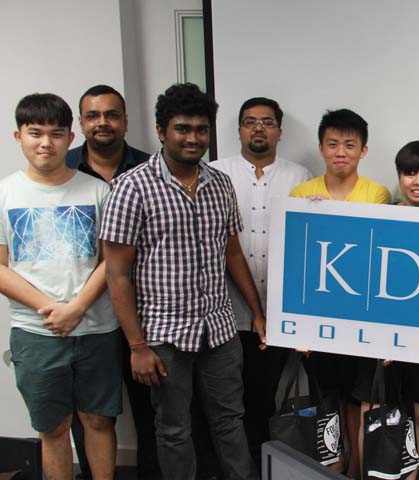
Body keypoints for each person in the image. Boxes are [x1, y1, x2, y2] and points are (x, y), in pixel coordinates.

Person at [101, 83, 264, 480]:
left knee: (230, 420)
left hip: (220, 330)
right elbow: (117, 275)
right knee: (173, 430)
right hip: (163, 336)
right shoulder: (131, 187)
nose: (193, 138)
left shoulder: (220, 183)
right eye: (183, 129)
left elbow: (233, 254)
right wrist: (137, 345)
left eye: (201, 130)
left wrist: (256, 313)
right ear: (161, 131)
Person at [0, 93, 120, 480]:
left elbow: (112, 260)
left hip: (97, 329)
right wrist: (50, 309)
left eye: (55, 134)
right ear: (18, 136)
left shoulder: (97, 191)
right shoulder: (5, 193)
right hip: (36, 332)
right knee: (53, 428)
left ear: (70, 138)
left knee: (99, 420)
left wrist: (76, 307)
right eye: (35, 133)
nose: (45, 143)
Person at [290, 108, 391, 477]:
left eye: (350, 145)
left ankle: (355, 471)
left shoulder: (377, 193)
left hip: (361, 316)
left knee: (357, 399)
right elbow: (296, 262)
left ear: (363, 150)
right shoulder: (301, 193)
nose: (341, 152)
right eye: (332, 144)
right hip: (319, 316)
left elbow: (373, 253)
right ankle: (333, 468)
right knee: (326, 399)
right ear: (321, 148)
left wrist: (327, 217)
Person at [212, 96, 311, 465]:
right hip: (226, 312)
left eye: (267, 122)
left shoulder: (299, 177)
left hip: (277, 311)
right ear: (239, 129)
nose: (258, 128)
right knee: (224, 399)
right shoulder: (216, 173)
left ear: (279, 132)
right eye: (250, 121)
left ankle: (262, 464)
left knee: (266, 396)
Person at [66, 84, 158, 480]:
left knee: (152, 412)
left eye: (111, 115)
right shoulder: (64, 169)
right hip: (85, 317)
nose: (102, 122)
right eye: (93, 115)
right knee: (89, 415)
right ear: (81, 122)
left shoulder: (151, 168)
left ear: (125, 120)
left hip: (145, 315)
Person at [350, 140, 419, 479]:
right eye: (410, 173)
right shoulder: (380, 216)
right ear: (399, 176)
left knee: (418, 415)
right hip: (380, 335)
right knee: (373, 412)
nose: (418, 181)